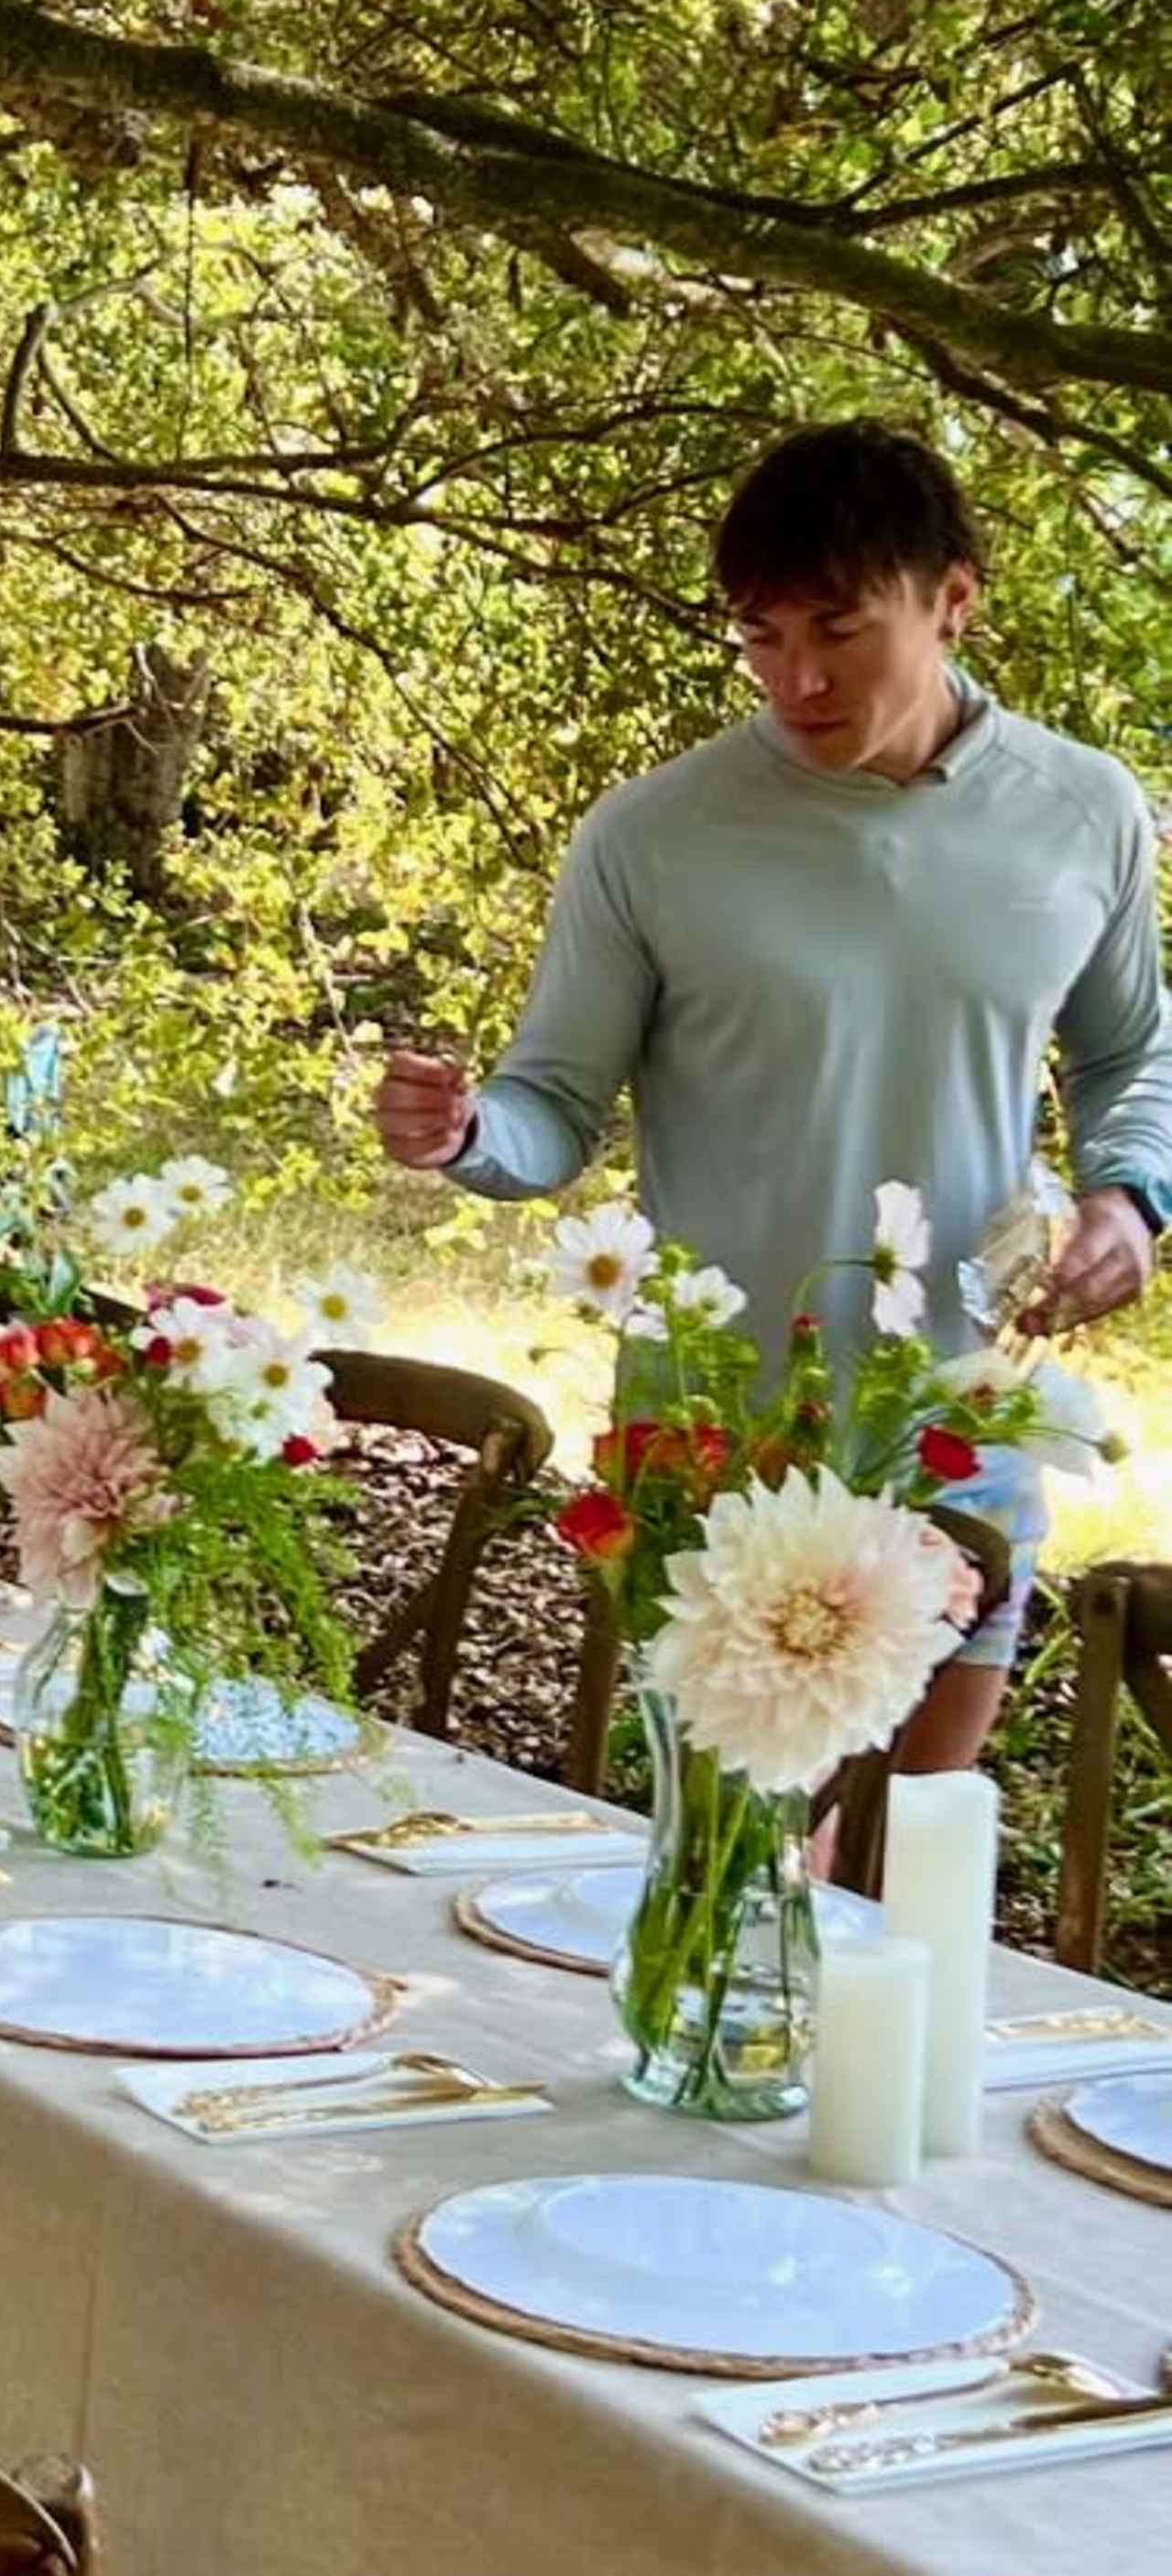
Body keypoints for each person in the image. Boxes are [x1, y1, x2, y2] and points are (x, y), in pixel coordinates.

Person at [376, 417, 1172, 1770]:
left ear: (954, 600)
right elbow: (552, 1103)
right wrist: (465, 1133)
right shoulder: (652, 835)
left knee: (902, 1863)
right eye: (760, 635)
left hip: (958, 1419)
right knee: (731, 1874)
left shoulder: (1083, 809)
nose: (796, 676)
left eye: (840, 630)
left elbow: (1130, 1050)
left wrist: (1130, 1194)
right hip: (716, 1433)